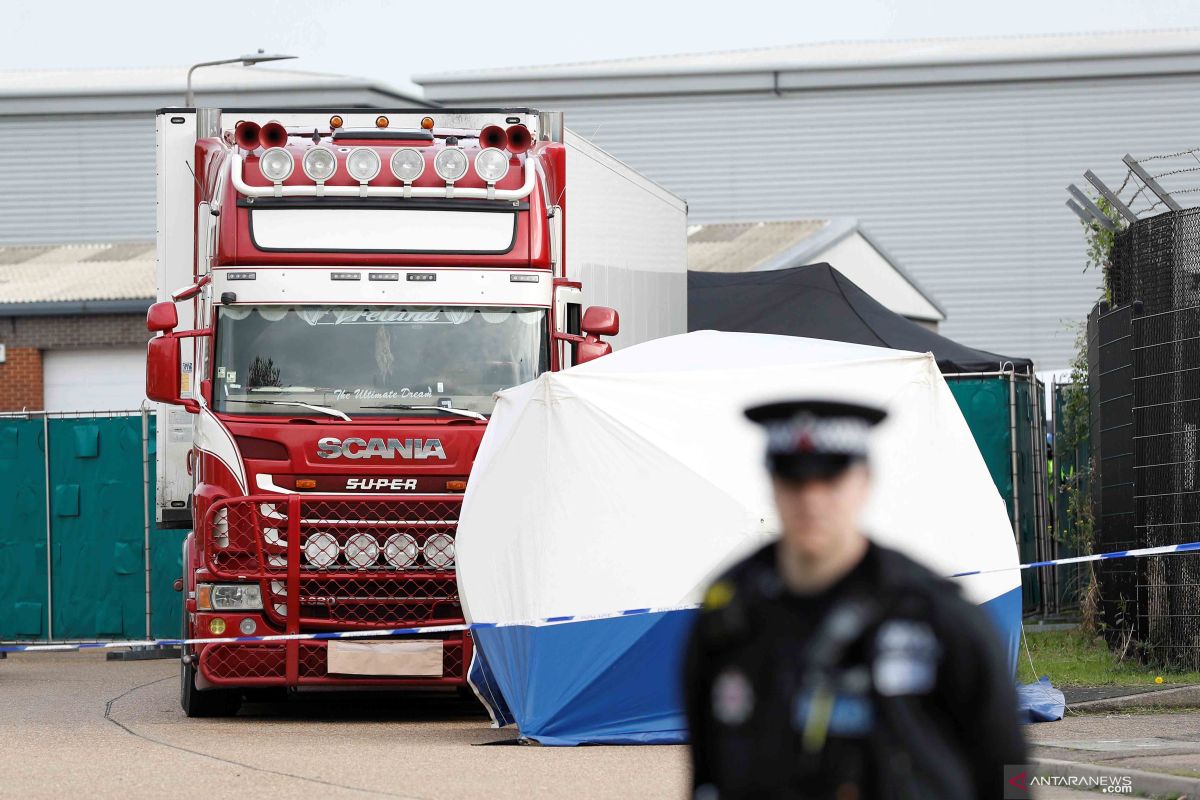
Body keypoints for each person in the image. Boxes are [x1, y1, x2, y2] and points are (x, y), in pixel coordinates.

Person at [683, 399, 1026, 799]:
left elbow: (1011, 772)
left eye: (831, 480)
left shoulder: (934, 615)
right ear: (772, 485)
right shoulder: (729, 617)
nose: (811, 500)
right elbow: (707, 774)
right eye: (793, 481)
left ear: (865, 482)